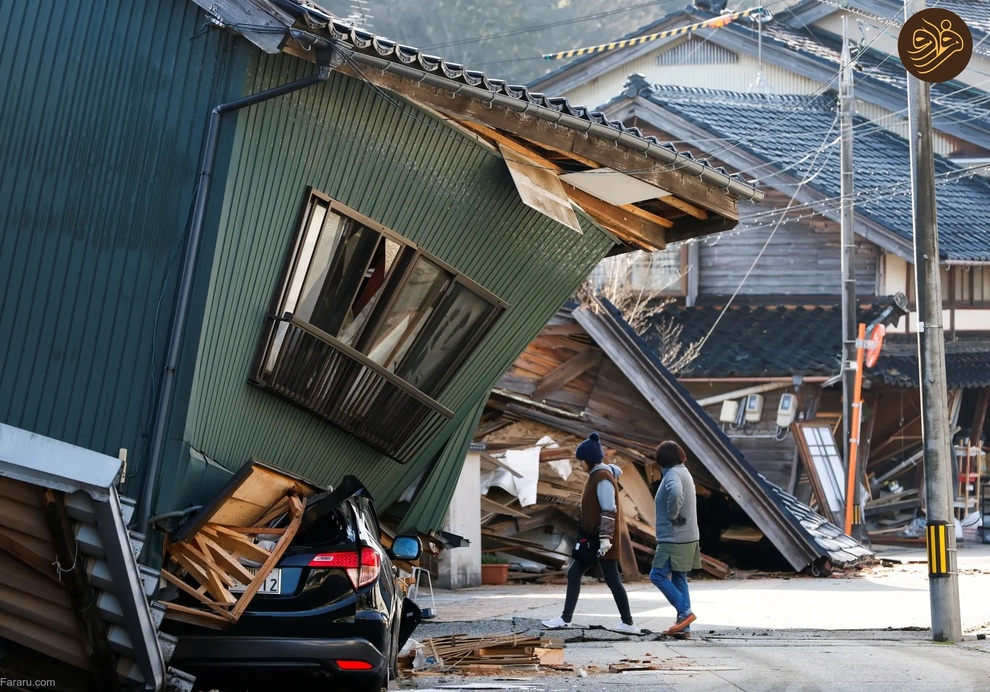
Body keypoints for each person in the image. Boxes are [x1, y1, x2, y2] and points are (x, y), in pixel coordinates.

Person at [541, 432, 641, 634]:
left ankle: (628, 623)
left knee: (611, 579)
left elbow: (608, 509)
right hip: (593, 538)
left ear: (589, 460)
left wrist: (605, 538)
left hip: (601, 539)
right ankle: (566, 618)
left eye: (581, 461)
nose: (579, 464)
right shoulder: (598, 475)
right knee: (576, 573)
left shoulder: (602, 478)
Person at [650, 440, 701, 637]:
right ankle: (684, 627)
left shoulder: (672, 475)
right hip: (688, 536)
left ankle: (686, 613)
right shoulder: (684, 471)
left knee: (657, 575)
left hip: (673, 537)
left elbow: (675, 492)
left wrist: (672, 515)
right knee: (679, 577)